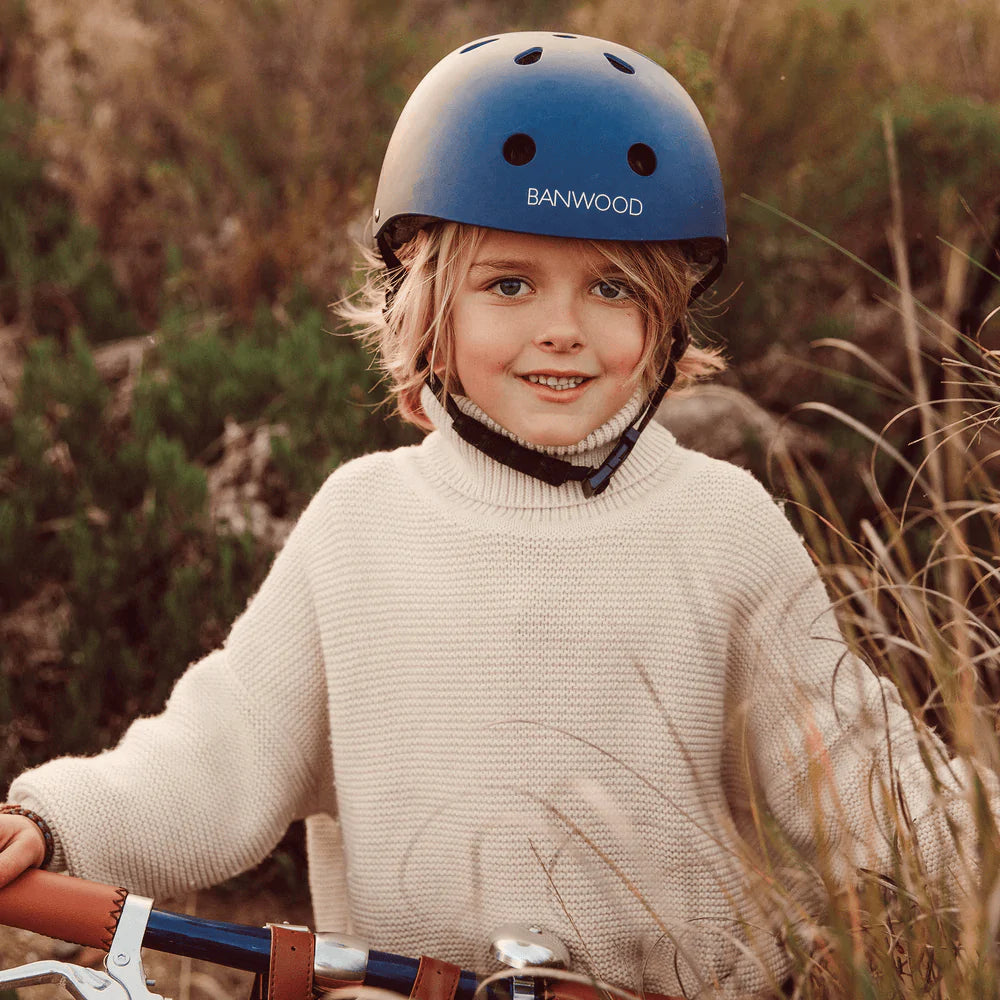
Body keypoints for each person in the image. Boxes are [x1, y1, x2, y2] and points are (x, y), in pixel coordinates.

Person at [0, 30, 987, 999]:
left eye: (610, 286)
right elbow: (223, 744)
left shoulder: (722, 526)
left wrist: (973, 850)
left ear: (667, 317)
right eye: (508, 284)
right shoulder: (364, 522)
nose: (561, 325)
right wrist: (61, 820)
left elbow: (859, 773)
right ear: (432, 305)